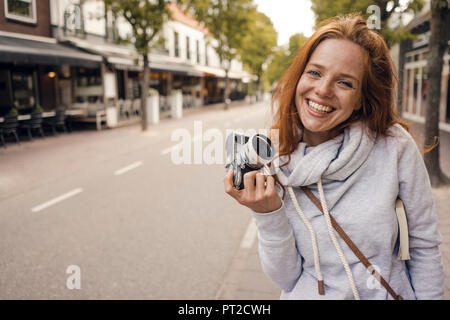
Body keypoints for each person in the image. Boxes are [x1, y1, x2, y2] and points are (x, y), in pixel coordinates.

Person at [224, 14, 444, 300]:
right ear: (299, 76)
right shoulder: (275, 158)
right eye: (315, 72)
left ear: (362, 98)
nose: (323, 90)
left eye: (345, 83)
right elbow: (286, 278)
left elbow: (423, 247)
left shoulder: (393, 146)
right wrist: (268, 213)